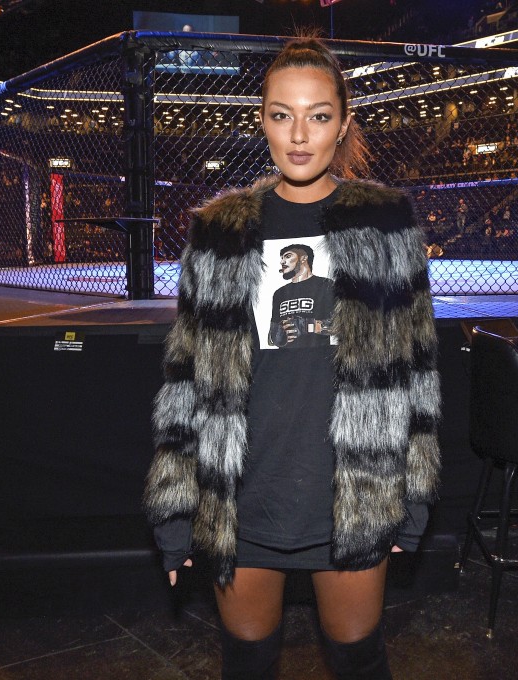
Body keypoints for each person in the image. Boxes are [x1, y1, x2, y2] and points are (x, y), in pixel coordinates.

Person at [143, 35, 441, 680]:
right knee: (248, 663)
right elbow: (184, 382)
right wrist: (174, 512)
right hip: (244, 494)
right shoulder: (218, 231)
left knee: (359, 659)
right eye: (282, 114)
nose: (300, 134)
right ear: (262, 120)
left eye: (318, 114)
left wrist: (413, 499)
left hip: (355, 490)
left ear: (344, 122)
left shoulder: (388, 224)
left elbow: (418, 370)